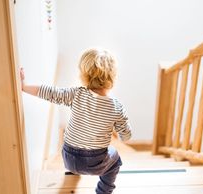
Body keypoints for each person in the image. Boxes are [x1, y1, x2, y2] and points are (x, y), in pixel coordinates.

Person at [20, 48, 132, 194]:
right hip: (95, 163)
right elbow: (126, 137)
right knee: (115, 159)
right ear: (113, 77)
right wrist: (120, 129)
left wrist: (24, 86)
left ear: (84, 75)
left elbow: (50, 93)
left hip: (68, 158)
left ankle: (72, 174)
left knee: (74, 145)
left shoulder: (76, 94)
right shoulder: (116, 107)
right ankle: (103, 191)